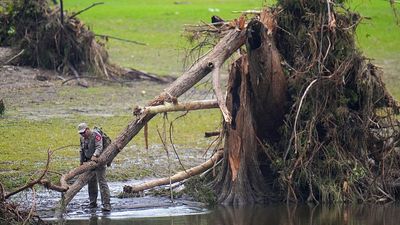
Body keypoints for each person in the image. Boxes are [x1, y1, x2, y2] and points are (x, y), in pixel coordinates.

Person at [78, 122, 111, 211]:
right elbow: (82, 150)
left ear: (88, 129)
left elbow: (99, 147)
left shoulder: (96, 135)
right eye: (81, 133)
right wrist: (81, 162)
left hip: (99, 161)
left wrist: (95, 155)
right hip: (89, 162)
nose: (82, 134)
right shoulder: (82, 138)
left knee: (102, 182)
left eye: (83, 132)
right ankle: (93, 203)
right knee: (91, 182)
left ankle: (106, 204)